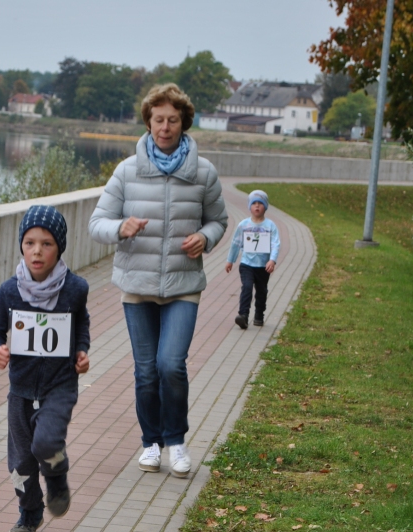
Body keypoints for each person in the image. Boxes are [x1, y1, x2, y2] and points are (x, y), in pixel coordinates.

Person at [88, 82, 227, 477]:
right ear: (148, 122)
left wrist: (206, 238)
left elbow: (218, 220)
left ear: (184, 122)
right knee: (146, 370)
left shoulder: (203, 172)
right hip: (138, 286)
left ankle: (176, 442)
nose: (165, 127)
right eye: (158, 119)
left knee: (171, 366)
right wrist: (121, 228)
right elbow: (96, 223)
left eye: (172, 120)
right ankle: (150, 443)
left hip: (183, 286)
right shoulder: (127, 171)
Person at [0, 205, 90, 532]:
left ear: (59, 247)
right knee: (21, 462)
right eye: (29, 242)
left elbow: (80, 323)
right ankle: (29, 515)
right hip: (20, 389)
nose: (37, 251)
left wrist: (81, 351)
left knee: (46, 442)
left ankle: (57, 479)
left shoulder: (74, 289)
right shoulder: (10, 291)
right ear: (21, 246)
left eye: (46, 243)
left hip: (59, 385)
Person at [225, 189, 280, 329]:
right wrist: (230, 260)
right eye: (254, 203)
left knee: (261, 292)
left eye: (260, 204)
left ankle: (259, 316)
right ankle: (243, 316)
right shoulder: (243, 225)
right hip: (247, 264)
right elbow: (236, 243)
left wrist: (272, 260)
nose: (257, 206)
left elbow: (275, 243)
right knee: (247, 288)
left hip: (263, 266)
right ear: (249, 206)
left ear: (265, 207)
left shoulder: (270, 226)